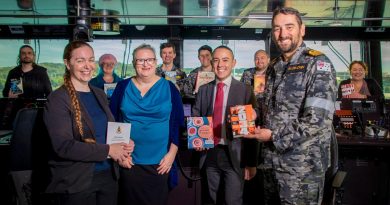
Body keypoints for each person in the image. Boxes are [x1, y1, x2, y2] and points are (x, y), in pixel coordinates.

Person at [243, 7, 337, 205]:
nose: (283, 34)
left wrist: (273, 136)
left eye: (289, 27)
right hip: (270, 165)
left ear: (302, 30)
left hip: (302, 169)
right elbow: (267, 108)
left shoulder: (318, 64)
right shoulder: (273, 67)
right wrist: (253, 114)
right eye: (277, 28)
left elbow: (317, 122)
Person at [43, 40, 133, 205]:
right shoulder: (57, 99)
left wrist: (123, 143)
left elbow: (106, 131)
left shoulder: (98, 93)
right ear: (67, 64)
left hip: (108, 177)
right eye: (80, 60)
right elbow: (63, 146)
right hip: (76, 182)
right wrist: (109, 150)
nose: (87, 65)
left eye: (91, 60)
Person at [109, 44, 184, 205]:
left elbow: (178, 125)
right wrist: (119, 155)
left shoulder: (170, 88)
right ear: (133, 63)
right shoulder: (122, 87)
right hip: (129, 161)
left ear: (156, 62)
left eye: (149, 59)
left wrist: (171, 156)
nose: (145, 64)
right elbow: (112, 121)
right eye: (140, 60)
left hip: (161, 162)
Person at [192, 45, 259, 205]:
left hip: (235, 155)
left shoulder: (246, 90)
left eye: (225, 60)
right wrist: (197, 138)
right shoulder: (203, 90)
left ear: (234, 63)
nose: (220, 64)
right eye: (216, 60)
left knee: (233, 200)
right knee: (210, 199)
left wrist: (251, 163)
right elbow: (196, 117)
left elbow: (251, 132)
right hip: (209, 153)